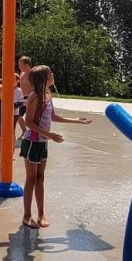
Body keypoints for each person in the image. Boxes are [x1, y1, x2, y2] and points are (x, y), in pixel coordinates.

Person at [20, 65, 92, 229]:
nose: (53, 75)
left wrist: (75, 121)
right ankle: (27, 215)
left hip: (42, 141)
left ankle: (41, 214)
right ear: (44, 78)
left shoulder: (47, 94)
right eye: (50, 73)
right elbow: (28, 122)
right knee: (31, 179)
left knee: (40, 178)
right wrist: (50, 134)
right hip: (31, 142)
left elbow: (52, 116)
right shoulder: (34, 97)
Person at [17, 56, 33, 138]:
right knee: (18, 115)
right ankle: (24, 131)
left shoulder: (32, 75)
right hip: (22, 98)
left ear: (27, 65)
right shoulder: (22, 74)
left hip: (30, 98)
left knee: (30, 117)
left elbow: (34, 88)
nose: (19, 67)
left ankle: (31, 133)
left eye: (21, 65)